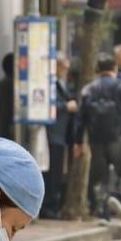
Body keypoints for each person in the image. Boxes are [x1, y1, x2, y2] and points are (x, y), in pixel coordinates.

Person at [75, 53, 121, 220]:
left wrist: (78, 142)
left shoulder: (88, 89)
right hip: (117, 136)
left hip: (95, 139)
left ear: (97, 70)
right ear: (115, 69)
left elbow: (80, 119)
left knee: (99, 177)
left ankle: (103, 210)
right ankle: (117, 196)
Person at [42, 55, 77, 215]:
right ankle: (48, 205)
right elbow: (46, 104)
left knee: (57, 171)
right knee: (52, 171)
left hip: (62, 133)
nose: (65, 71)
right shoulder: (49, 84)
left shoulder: (64, 84)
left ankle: (53, 202)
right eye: (63, 67)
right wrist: (65, 106)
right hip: (53, 133)